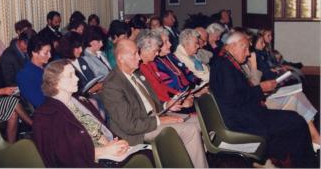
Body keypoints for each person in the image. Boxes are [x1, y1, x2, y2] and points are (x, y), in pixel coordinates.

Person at [210, 32, 316, 167]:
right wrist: (261, 89)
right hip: (240, 121)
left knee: (295, 120)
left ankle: (300, 161)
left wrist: (261, 90)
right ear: (233, 46)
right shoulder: (224, 66)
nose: (248, 53)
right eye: (246, 48)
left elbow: (238, 94)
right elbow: (234, 98)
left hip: (245, 114)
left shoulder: (224, 61)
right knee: (297, 122)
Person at [101, 39, 208, 168]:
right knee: (190, 131)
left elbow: (152, 102)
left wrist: (166, 105)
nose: (139, 58)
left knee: (199, 122)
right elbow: (129, 125)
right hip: (137, 131)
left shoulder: (136, 74)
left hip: (154, 116)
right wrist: (160, 120)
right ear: (121, 58)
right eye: (134, 54)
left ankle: (188, 162)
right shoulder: (112, 84)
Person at [33, 59, 130, 168]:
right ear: (55, 83)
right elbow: (61, 156)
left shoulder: (80, 101)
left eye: (75, 74)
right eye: (70, 75)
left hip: (108, 154)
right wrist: (104, 151)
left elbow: (100, 129)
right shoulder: (46, 115)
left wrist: (115, 142)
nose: (77, 78)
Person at [251, 34, 320, 146]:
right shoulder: (249, 60)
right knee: (296, 99)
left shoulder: (257, 56)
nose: (247, 50)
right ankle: (314, 137)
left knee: (297, 95)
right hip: (259, 104)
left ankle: (315, 135)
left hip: (263, 96)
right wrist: (254, 66)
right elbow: (252, 88)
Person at [17, 35, 51, 108]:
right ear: (34, 53)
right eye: (46, 53)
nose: (50, 55)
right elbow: (39, 103)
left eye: (50, 52)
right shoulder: (25, 75)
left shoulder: (48, 66)